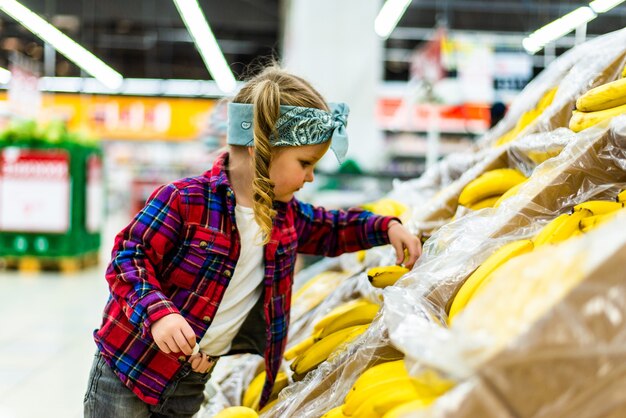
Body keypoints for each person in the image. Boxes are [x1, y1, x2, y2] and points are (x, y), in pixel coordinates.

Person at [84, 65, 422, 418]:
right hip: (130, 368)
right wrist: (158, 315)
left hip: (193, 375)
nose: (309, 177)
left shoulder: (284, 216)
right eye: (305, 163)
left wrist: (385, 227)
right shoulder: (185, 200)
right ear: (261, 148)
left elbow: (332, 228)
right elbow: (128, 258)